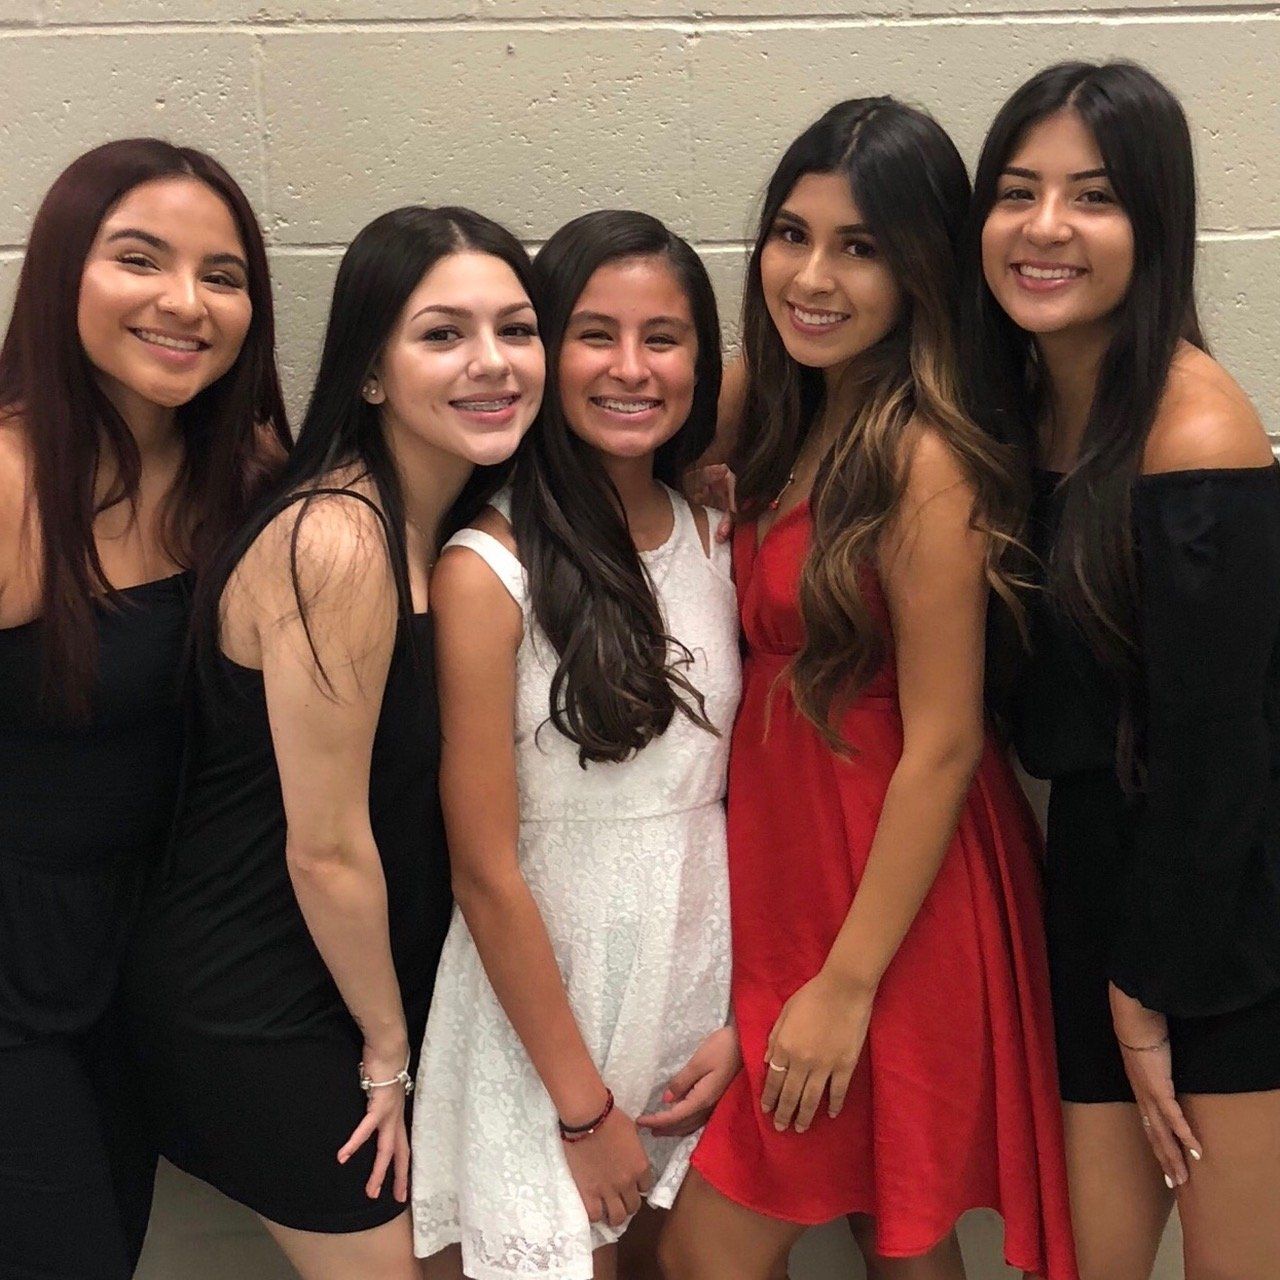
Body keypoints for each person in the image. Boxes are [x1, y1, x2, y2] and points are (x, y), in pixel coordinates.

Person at [660, 98, 1078, 1280]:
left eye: (858, 248)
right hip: (795, 869)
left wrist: (845, 985)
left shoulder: (921, 457)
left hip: (891, 894)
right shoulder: (786, 407)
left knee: (709, 1250)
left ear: (919, 272)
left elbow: (944, 743)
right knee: (888, 1220)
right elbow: (627, 411)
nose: (811, 276)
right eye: (791, 235)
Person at [122, 206, 544, 1280]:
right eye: (442, 334)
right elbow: (325, 847)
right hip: (264, 1002)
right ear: (368, 374)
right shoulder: (341, 539)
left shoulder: (453, 523)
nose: (492, 361)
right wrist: (389, 1053)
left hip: (359, 986)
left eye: (516, 328)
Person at [966, 60, 1280, 1280]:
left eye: (1090, 197)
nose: (1044, 227)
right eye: (1016, 191)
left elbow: (1217, 752)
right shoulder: (1020, 411)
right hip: (1092, 876)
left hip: (1221, 902)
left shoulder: (1194, 427)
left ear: (1153, 223)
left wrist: (1148, 989)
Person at [411, 210, 741, 1280]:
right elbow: (483, 868)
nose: (631, 368)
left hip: (697, 990)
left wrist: (746, 1013)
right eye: (595, 334)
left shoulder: (713, 530)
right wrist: (581, 1106)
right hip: (549, 1013)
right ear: (547, 350)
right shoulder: (487, 568)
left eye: (664, 337)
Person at [0, 137, 289, 1279]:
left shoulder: (244, 477)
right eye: (139, 259)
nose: (185, 302)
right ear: (62, 271)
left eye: (222, 275)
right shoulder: (12, 484)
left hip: (143, 961)